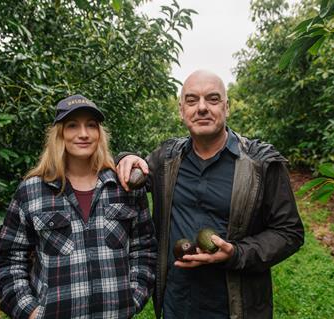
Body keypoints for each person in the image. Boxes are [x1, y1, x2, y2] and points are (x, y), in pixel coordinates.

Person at [116, 70, 305, 319]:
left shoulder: (261, 163)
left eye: (213, 99)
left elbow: (289, 232)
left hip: (237, 307)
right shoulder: (165, 159)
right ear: (181, 109)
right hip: (177, 304)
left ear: (227, 107)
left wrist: (236, 253)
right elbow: (134, 172)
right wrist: (125, 157)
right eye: (192, 100)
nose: (202, 108)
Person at [0, 94, 157, 319]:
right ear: (59, 134)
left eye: (91, 125)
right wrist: (30, 312)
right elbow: (9, 259)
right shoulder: (32, 190)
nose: (83, 134)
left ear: (100, 134)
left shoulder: (125, 186)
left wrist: (133, 298)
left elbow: (145, 249)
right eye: (72, 126)